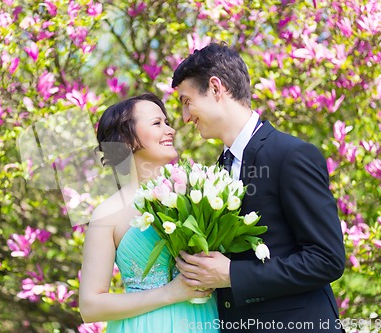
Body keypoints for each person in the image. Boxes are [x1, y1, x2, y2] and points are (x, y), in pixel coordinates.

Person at [171, 43, 346, 332]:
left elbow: (326, 259)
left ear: (216, 88)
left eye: (186, 101)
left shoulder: (290, 155)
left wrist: (232, 274)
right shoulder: (220, 168)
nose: (186, 117)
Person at [79, 93, 219, 333]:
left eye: (166, 122)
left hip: (205, 321)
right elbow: (90, 306)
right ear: (126, 140)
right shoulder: (108, 213)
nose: (171, 130)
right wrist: (169, 293)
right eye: (157, 123)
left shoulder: (201, 194)